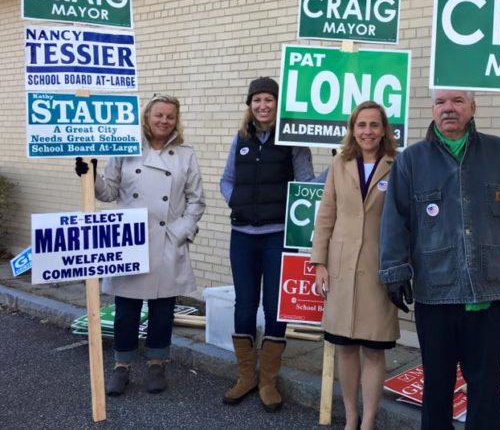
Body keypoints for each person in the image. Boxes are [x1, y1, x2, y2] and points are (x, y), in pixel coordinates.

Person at [379, 89, 500, 430]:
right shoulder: (411, 160)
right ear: (432, 108)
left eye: (457, 101)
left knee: (485, 388)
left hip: (488, 292)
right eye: (441, 102)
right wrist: (394, 271)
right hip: (435, 291)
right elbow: (395, 220)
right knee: (438, 386)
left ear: (472, 107)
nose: (449, 109)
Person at [76, 94, 205, 396]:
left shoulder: (185, 154)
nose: (164, 121)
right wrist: (91, 174)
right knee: (126, 310)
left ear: (176, 120)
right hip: (129, 240)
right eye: (158, 115)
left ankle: (157, 363)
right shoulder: (125, 148)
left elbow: (196, 199)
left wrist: (181, 231)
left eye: (170, 116)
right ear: (147, 117)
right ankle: (122, 366)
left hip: (166, 241)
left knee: (162, 309)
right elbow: (107, 193)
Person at [220, 76, 314, 411]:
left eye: (269, 100)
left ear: (278, 104)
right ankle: (246, 376)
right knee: (245, 304)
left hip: (278, 236)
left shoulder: (293, 141)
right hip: (242, 235)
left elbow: (305, 183)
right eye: (257, 100)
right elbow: (227, 179)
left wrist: (337, 170)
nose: (263, 105)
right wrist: (238, 204)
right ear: (250, 105)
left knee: (276, 307)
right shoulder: (241, 139)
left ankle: (269, 380)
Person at [311, 101, 400, 430]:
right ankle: (350, 417)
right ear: (353, 129)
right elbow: (326, 214)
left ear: (383, 129)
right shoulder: (340, 163)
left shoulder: (397, 164)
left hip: (379, 267)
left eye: (374, 125)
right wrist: (319, 261)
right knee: (346, 348)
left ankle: (369, 420)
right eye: (361, 125)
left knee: (374, 349)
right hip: (341, 267)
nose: (367, 131)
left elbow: (404, 218)